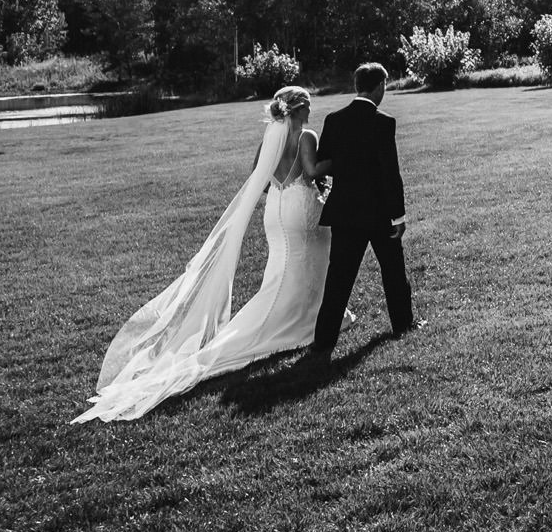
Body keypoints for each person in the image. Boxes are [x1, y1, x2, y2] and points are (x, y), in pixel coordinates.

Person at [77, 85, 338, 420]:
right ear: (300, 109)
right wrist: (337, 160)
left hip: (274, 207)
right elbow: (313, 171)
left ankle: (309, 314)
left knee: (282, 270)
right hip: (299, 206)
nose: (311, 112)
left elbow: (256, 177)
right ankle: (301, 320)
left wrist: (279, 191)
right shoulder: (306, 137)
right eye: (309, 106)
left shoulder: (270, 137)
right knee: (303, 267)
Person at [304, 65, 420, 370]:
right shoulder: (383, 122)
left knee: (338, 279)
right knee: (393, 271)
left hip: (345, 212)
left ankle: (323, 341)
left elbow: (325, 162)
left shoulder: (334, 119)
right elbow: (389, 174)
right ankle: (403, 324)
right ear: (379, 85)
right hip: (380, 213)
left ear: (357, 85)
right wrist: (399, 216)